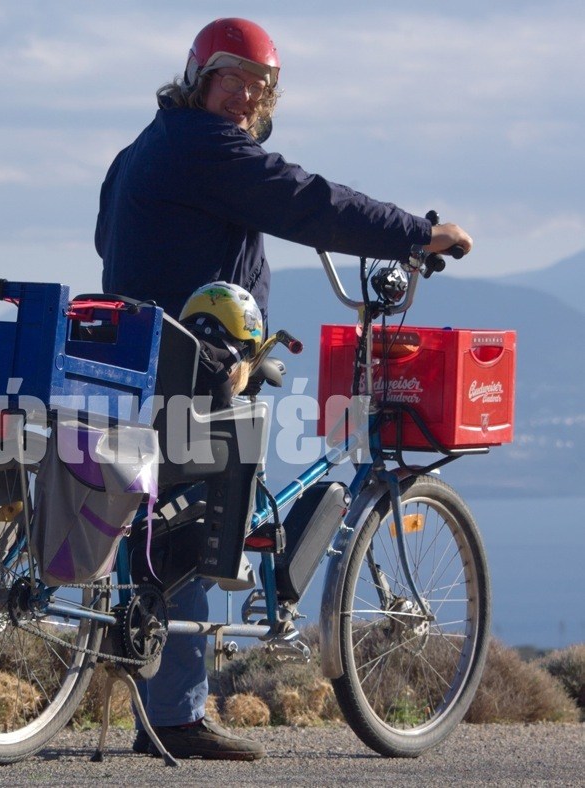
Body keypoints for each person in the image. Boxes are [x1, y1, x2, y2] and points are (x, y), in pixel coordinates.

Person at [95, 18, 473, 762]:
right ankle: (173, 715)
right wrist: (416, 234)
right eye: (230, 78)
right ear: (198, 76)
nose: (243, 96)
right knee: (198, 519)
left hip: (153, 351)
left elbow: (111, 237)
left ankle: (164, 703)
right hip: (190, 356)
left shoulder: (149, 144)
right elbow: (308, 200)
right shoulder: (205, 145)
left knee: (177, 518)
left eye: (259, 87)